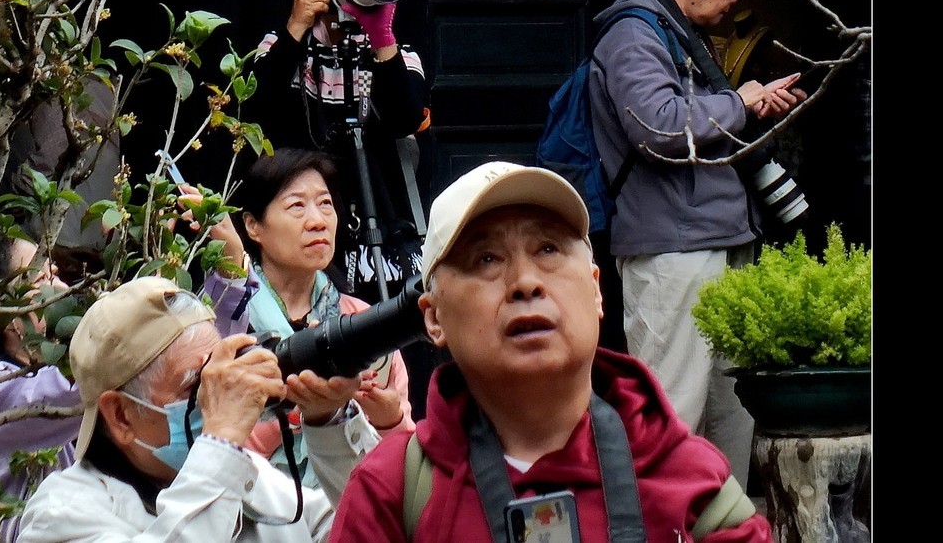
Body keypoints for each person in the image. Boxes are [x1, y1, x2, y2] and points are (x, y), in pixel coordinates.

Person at [328, 160, 773, 542]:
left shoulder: (694, 485)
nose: (525, 281)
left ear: (597, 291)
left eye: (548, 249)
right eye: (485, 258)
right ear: (434, 318)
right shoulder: (392, 492)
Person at [587, 0, 807, 485]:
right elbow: (656, 125)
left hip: (717, 240)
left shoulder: (676, 31)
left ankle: (719, 527)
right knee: (671, 412)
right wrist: (742, 101)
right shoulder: (633, 32)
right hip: (671, 251)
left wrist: (747, 105)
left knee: (730, 417)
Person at [15, 275, 384, 543]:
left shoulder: (248, 474)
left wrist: (329, 420)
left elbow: (369, 527)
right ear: (122, 415)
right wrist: (221, 439)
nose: (217, 393)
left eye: (222, 373)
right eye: (197, 385)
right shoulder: (60, 515)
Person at [197, 148, 414, 485]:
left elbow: (403, 462)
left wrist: (389, 418)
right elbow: (201, 445)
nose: (318, 221)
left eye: (325, 204)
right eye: (297, 206)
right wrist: (311, 411)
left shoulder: (360, 320)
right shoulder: (219, 319)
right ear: (252, 225)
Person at [248, 0, 429, 302]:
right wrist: (295, 27)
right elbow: (254, 110)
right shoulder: (281, 45)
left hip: (379, 224)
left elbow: (404, 119)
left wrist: (382, 39)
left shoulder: (395, 53)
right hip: (302, 218)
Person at [0, 234, 83, 541]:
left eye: (57, 275)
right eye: (44, 278)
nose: (63, 289)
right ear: (0, 311)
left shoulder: (49, 370)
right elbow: (90, 380)